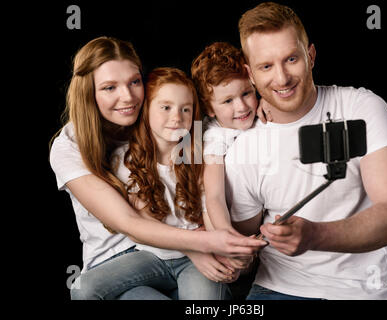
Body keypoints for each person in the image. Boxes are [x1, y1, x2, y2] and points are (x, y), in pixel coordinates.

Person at [49, 37, 266, 299]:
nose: (127, 96)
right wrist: (209, 243)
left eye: (134, 82)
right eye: (109, 87)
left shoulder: (184, 134)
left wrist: (265, 102)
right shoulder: (78, 148)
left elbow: (211, 189)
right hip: (130, 257)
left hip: (185, 253)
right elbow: (130, 222)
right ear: (88, 93)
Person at [225, 2, 387, 300]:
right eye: (266, 67)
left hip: (359, 292)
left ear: (310, 55)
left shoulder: (361, 108)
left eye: (292, 59)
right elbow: (244, 240)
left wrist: (314, 235)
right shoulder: (243, 146)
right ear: (250, 74)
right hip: (275, 289)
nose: (282, 78)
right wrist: (237, 257)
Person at [191, 41, 271, 274]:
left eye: (247, 93)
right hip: (227, 222)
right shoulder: (214, 137)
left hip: (261, 213)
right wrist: (227, 235)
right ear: (210, 108)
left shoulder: (257, 111)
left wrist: (266, 99)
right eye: (228, 101)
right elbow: (214, 196)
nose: (242, 106)